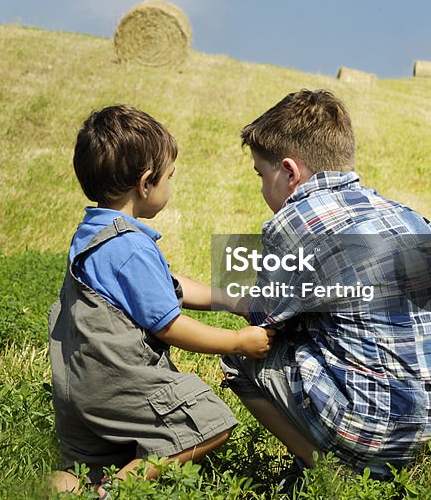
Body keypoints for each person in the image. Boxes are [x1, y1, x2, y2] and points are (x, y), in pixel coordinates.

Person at [220, 89, 431, 479]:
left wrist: (206, 298)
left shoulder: (296, 221)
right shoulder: (410, 217)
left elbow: (263, 315)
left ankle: (327, 472)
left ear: (289, 172)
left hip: (378, 434)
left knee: (239, 355)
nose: (263, 189)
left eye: (261, 175)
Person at [49, 104, 274, 496]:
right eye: (170, 176)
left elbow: (170, 287)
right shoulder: (131, 248)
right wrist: (237, 342)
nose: (171, 183)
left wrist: (233, 300)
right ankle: (116, 491)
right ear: (146, 182)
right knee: (209, 422)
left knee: (84, 468)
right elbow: (169, 325)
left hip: (77, 387)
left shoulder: (95, 234)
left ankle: (71, 486)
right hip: (115, 383)